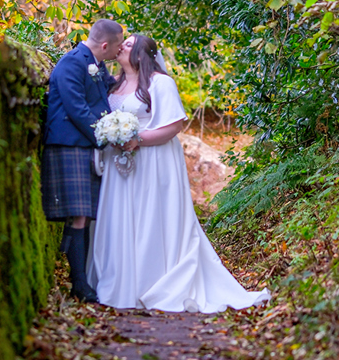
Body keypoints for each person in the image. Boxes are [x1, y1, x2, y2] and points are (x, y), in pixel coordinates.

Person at [87, 34, 270, 312]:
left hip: (153, 162)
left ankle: (153, 280)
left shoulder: (161, 83)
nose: (122, 45)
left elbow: (174, 125)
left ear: (141, 53)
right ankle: (121, 281)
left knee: (150, 219)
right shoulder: (114, 85)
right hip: (117, 165)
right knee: (120, 218)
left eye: (128, 43)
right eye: (121, 43)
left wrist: (138, 139)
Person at [41, 19, 124, 303]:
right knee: (79, 213)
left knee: (86, 214)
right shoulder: (71, 63)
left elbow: (108, 95)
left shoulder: (97, 65)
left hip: (84, 144)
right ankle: (79, 284)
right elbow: (76, 108)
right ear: (104, 45)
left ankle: (82, 278)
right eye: (117, 47)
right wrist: (106, 136)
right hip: (69, 145)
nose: (118, 51)